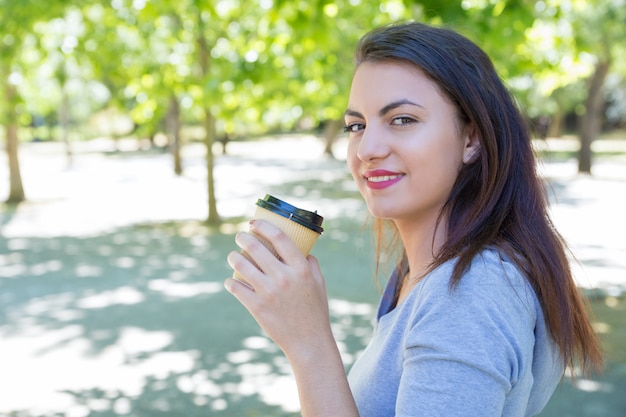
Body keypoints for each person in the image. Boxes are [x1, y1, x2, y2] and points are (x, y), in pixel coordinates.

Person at [224, 21, 603, 416]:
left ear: (471, 139)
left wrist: (309, 345)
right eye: (357, 125)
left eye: (402, 119)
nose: (367, 148)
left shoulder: (468, 293)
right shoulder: (421, 275)